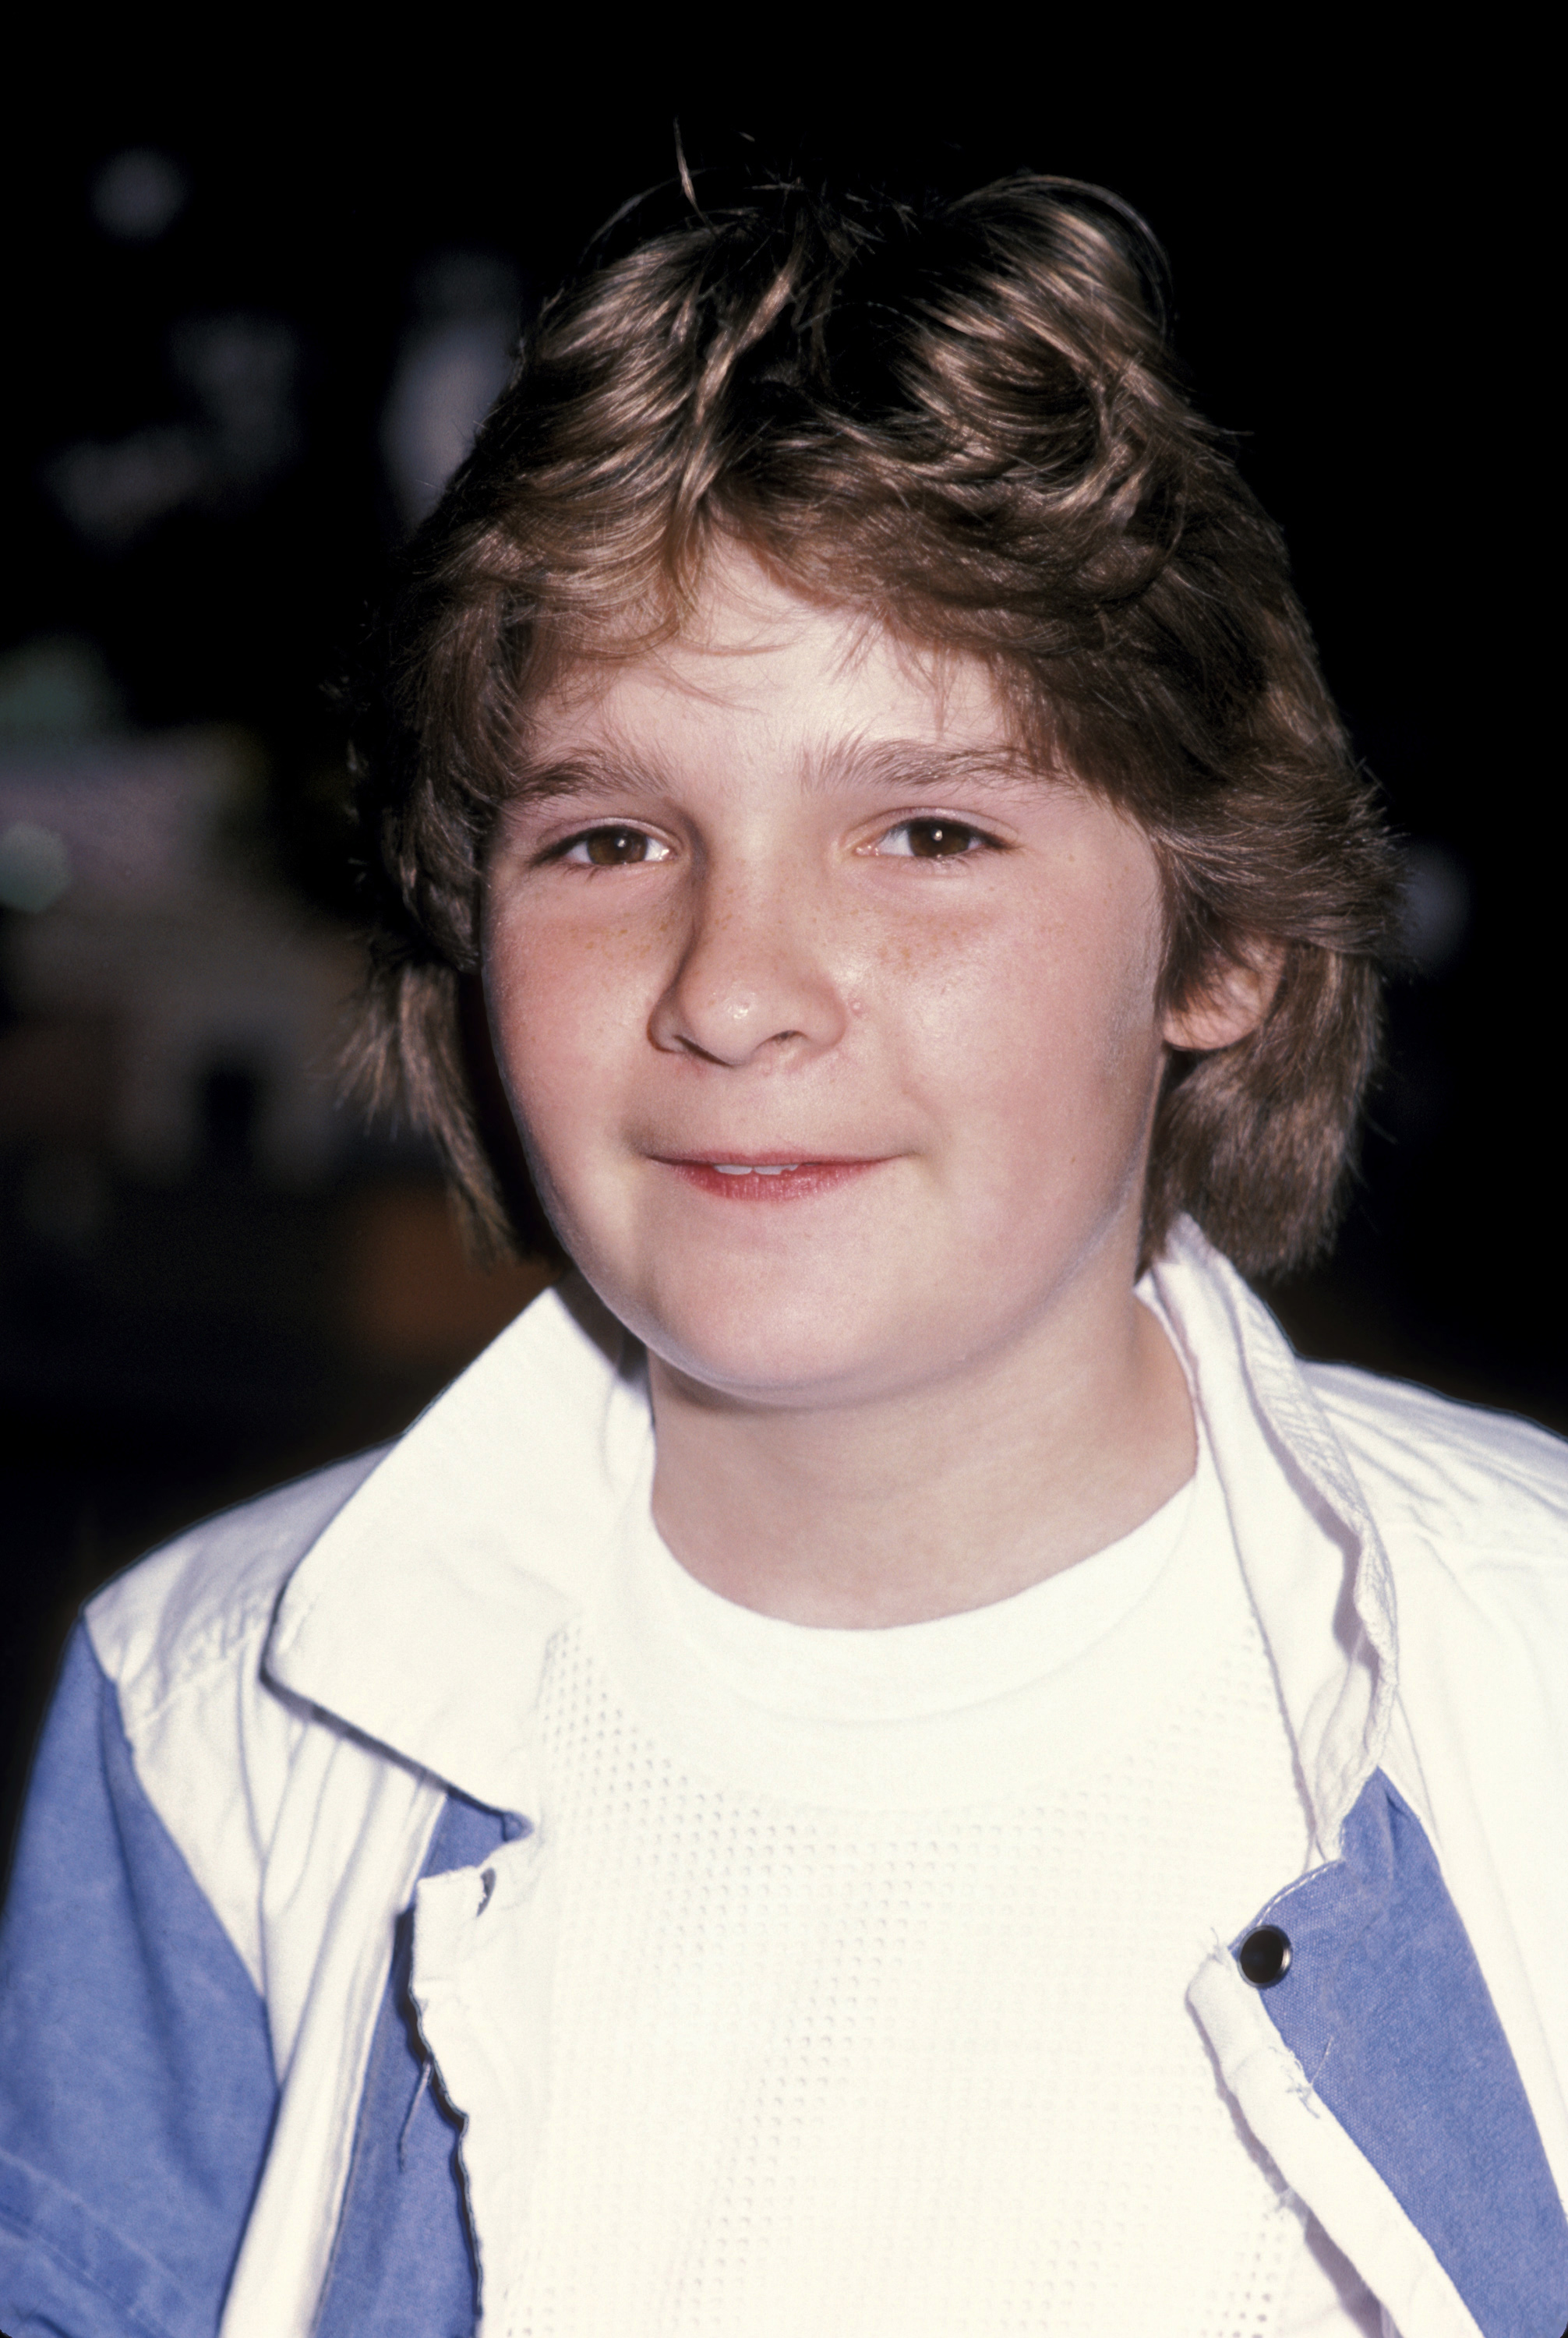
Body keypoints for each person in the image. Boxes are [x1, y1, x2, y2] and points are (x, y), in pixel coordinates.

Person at [1, 171, 1563, 2338]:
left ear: (1215, 942)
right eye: (609, 838)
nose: (736, 988)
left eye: (926, 832)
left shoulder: (1530, 1675)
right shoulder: (211, 1719)